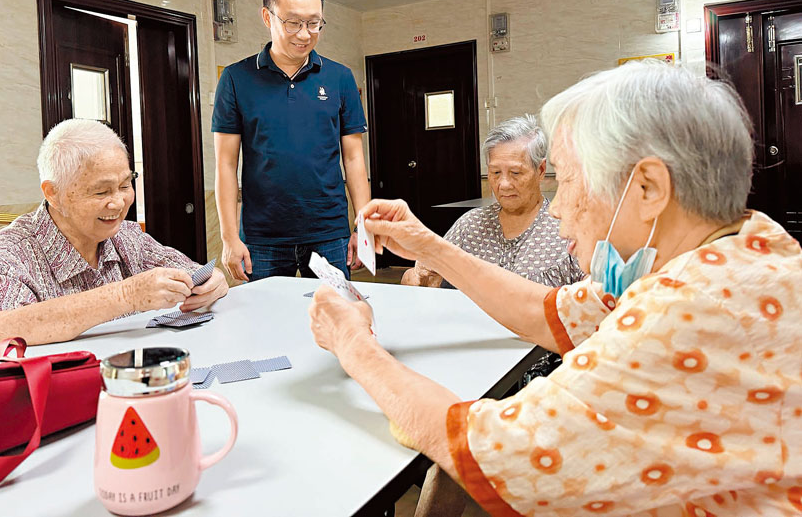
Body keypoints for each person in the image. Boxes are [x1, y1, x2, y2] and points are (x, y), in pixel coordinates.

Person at [309, 61, 802, 516]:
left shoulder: (687, 314)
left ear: (649, 189)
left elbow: (491, 448)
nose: (559, 208)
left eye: (567, 181)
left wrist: (354, 343)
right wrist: (429, 246)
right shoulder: (741, 251)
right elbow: (549, 312)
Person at [0, 119, 228, 355]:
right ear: (53, 193)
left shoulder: (126, 235)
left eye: (125, 186)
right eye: (101, 192)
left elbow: (188, 271)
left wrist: (210, 282)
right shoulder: (12, 250)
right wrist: (127, 295)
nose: (118, 203)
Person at [212, 0, 369, 282]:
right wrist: (229, 238)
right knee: (266, 328)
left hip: (329, 232)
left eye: (314, 23)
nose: (305, 34)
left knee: (334, 323)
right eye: (294, 23)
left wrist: (362, 227)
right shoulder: (236, 78)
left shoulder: (340, 78)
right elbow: (225, 165)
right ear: (267, 17)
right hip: (262, 237)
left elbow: (354, 159)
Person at [402, 115, 581, 289]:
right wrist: (418, 277)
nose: (503, 184)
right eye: (495, 173)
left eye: (515, 173)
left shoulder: (567, 229)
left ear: (541, 170)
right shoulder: (469, 226)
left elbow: (595, 299)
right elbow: (422, 281)